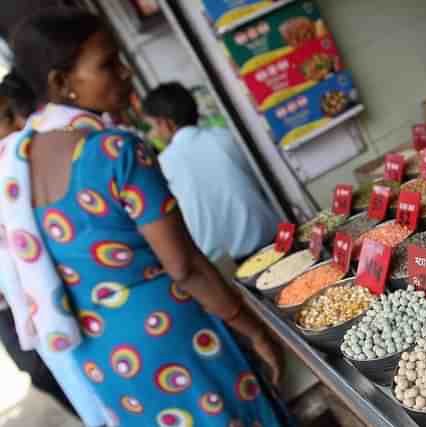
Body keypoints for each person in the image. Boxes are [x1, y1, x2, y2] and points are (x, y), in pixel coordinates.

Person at [2, 7, 287, 427]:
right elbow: (184, 265)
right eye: (107, 65)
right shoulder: (115, 150)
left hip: (105, 357)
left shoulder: (17, 170)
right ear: (62, 83)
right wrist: (252, 327)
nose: (125, 73)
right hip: (171, 337)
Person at [0, 73, 81, 418]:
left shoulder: (27, 161)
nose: (13, 126)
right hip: (15, 307)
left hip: (60, 292)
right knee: (46, 372)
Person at [142, 82, 280, 261]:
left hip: (225, 262)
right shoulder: (226, 137)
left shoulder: (163, 164)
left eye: (153, 126)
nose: (154, 134)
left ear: (165, 123)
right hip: (273, 239)